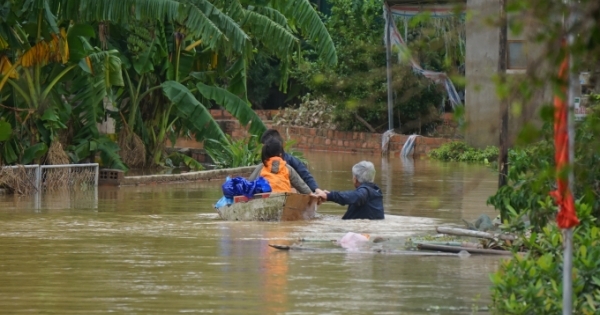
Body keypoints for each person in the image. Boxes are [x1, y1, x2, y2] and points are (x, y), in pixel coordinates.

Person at [249, 129, 325, 195]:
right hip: (287, 197)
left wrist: (316, 189)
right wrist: (312, 194)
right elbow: (301, 185)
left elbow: (250, 183)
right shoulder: (287, 167)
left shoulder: (263, 166)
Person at [315, 161, 384, 220]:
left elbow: (355, 196)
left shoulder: (364, 192)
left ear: (355, 179)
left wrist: (329, 196)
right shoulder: (376, 191)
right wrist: (329, 195)